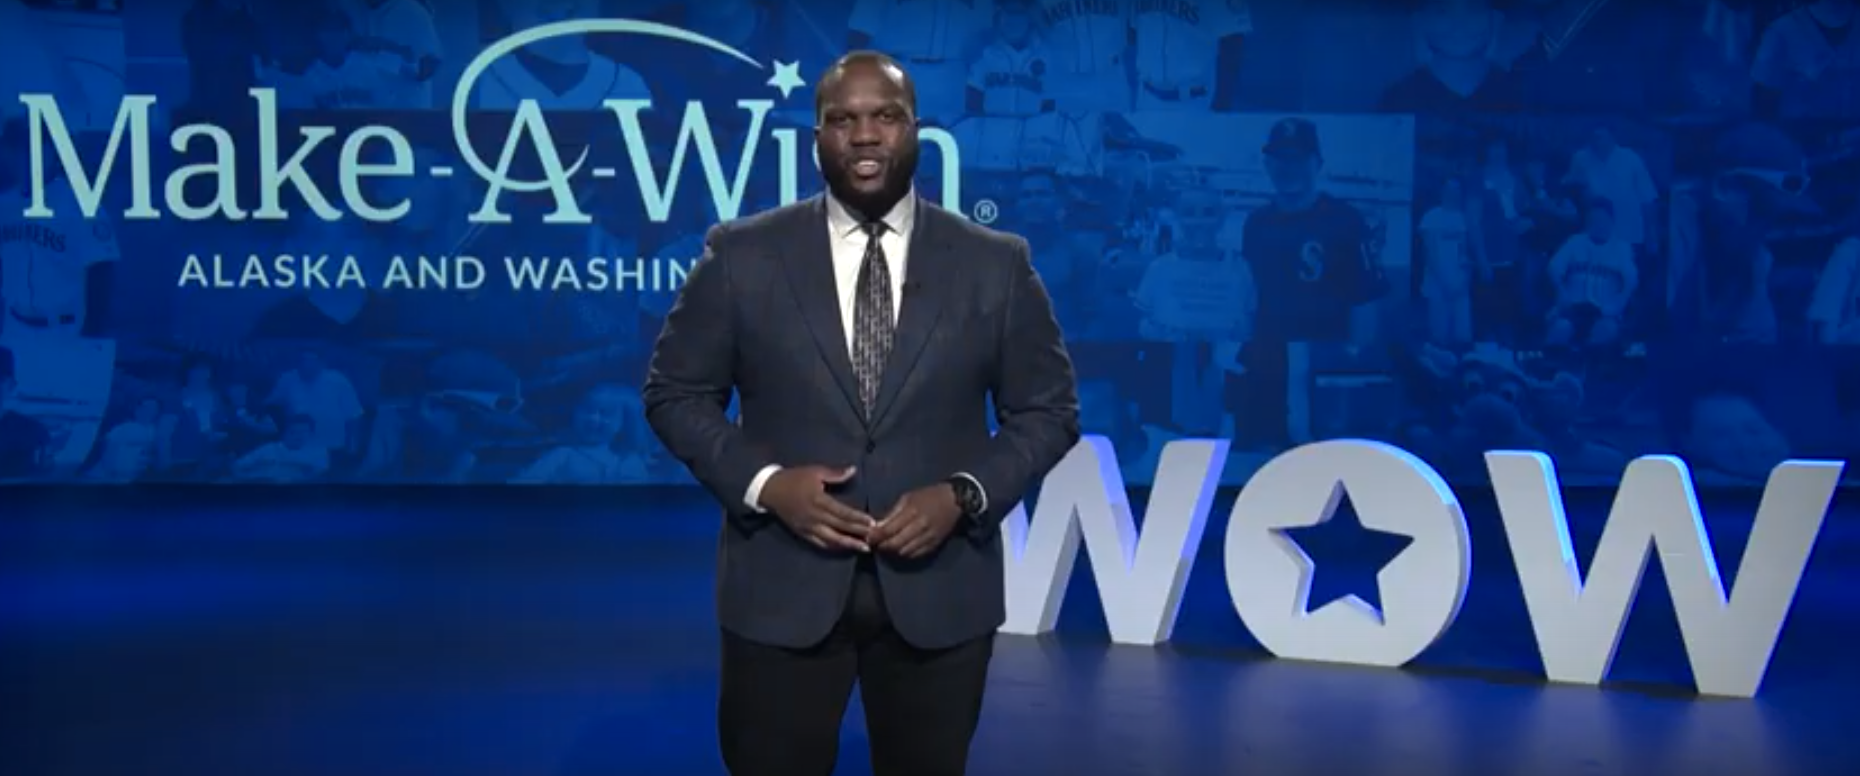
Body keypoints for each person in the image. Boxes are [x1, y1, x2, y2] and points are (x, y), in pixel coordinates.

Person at [642, 51, 1081, 776]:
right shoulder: (741, 255)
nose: (866, 135)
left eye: (886, 116)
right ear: (816, 136)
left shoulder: (995, 263)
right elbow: (674, 393)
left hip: (940, 595)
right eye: (843, 119)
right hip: (782, 589)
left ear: (917, 131)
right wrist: (767, 485)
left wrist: (964, 495)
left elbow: (1048, 410)